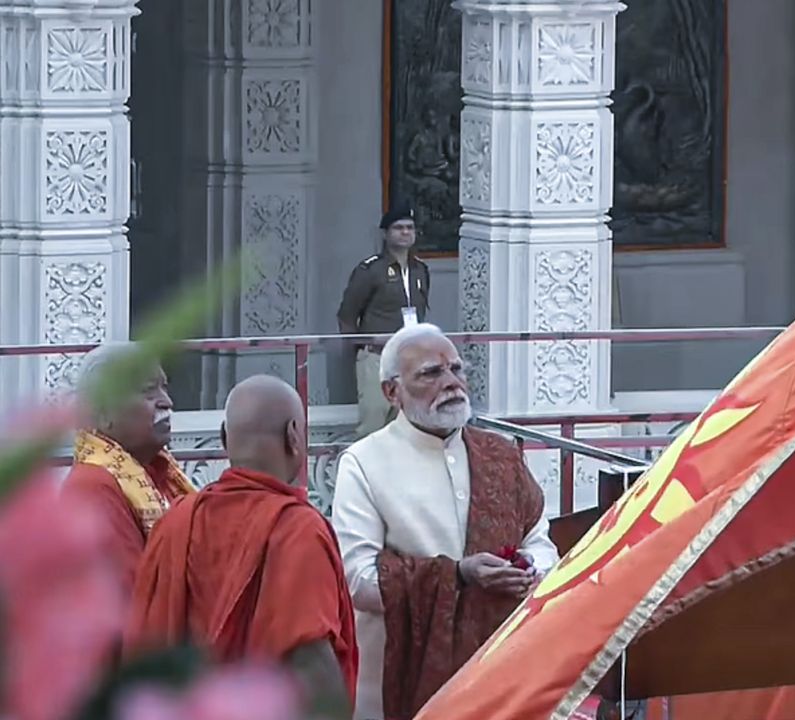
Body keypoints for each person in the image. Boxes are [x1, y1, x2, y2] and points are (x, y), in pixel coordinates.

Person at [331, 324, 559, 720]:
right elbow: (358, 581)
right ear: (392, 392)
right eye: (431, 373)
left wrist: (527, 570)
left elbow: (541, 543)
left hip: (499, 672)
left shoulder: (500, 455)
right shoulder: (363, 463)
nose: (452, 383)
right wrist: (459, 575)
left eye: (456, 369)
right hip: (404, 684)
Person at [125, 375, 357, 713]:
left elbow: (146, 648)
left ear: (223, 438)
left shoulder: (175, 521)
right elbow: (311, 661)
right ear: (294, 436)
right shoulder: (298, 529)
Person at [63, 343, 196, 596]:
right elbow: (132, 597)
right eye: (148, 391)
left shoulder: (162, 473)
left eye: (164, 388)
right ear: (103, 412)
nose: (167, 402)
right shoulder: (92, 488)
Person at [337, 203, 432, 439]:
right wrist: (358, 349)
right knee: (373, 424)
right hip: (376, 356)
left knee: (407, 425)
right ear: (385, 233)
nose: (405, 232)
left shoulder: (420, 269)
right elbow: (347, 314)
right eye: (398, 228)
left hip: (409, 360)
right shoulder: (371, 270)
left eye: (410, 227)